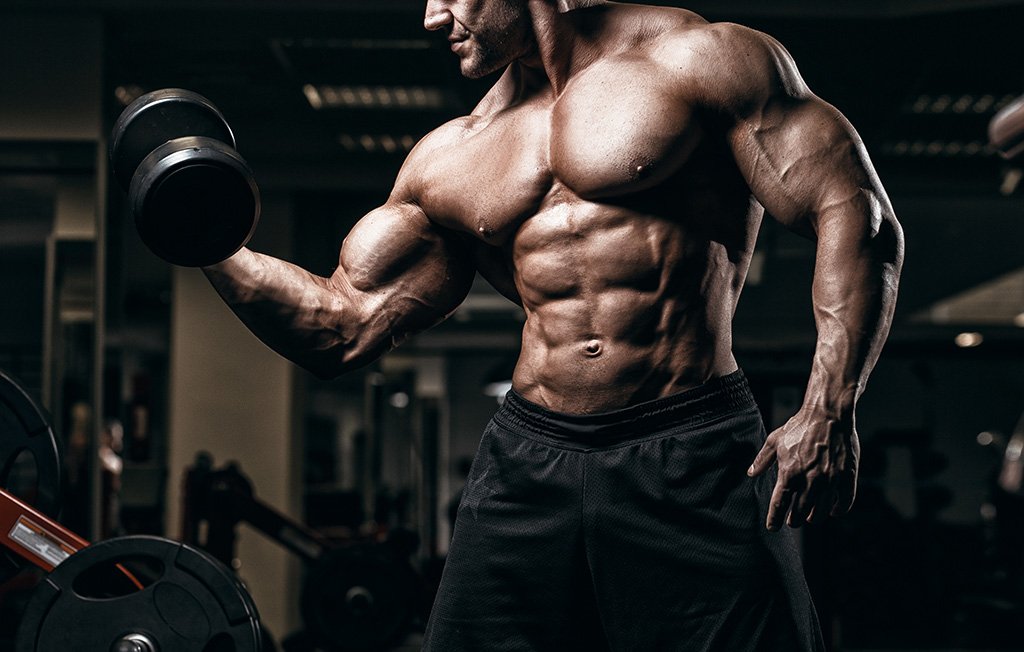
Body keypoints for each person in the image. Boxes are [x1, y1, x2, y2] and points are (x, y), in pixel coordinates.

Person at [200, 0, 904, 648]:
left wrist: (829, 406)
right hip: (529, 460)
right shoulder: (454, 153)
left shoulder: (702, 60)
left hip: (688, 448)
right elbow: (340, 325)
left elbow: (854, 213)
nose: (429, 16)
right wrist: (211, 244)